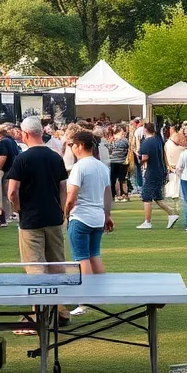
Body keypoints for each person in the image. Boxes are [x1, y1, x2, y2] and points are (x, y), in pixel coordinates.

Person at [7, 116, 70, 330]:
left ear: (25, 135)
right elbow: (63, 188)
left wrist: (17, 209)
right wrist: (61, 210)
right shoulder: (55, 157)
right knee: (57, 265)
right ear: (41, 132)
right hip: (53, 217)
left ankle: (38, 317)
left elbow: (12, 191)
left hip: (31, 220)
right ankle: (61, 311)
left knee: (35, 268)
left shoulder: (22, 159)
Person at [65, 129, 114, 316]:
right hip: (97, 217)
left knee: (82, 258)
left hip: (81, 216)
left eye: (72, 145)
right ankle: (101, 294)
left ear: (80, 145)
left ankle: (84, 301)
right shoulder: (102, 167)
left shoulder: (80, 167)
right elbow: (107, 193)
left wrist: (66, 214)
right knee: (94, 255)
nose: (71, 148)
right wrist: (107, 215)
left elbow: (71, 197)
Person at [137, 122, 177, 229]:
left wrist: (139, 163)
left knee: (146, 196)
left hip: (152, 172)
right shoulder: (158, 140)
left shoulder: (146, 142)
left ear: (145, 130)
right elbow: (164, 154)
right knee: (157, 196)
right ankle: (172, 213)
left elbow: (145, 158)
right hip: (160, 171)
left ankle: (147, 222)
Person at [108, 126, 130, 202]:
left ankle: (116, 195)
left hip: (114, 161)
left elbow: (109, 149)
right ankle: (123, 194)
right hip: (122, 161)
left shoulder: (112, 141)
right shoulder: (124, 140)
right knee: (122, 179)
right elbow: (127, 148)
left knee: (114, 179)